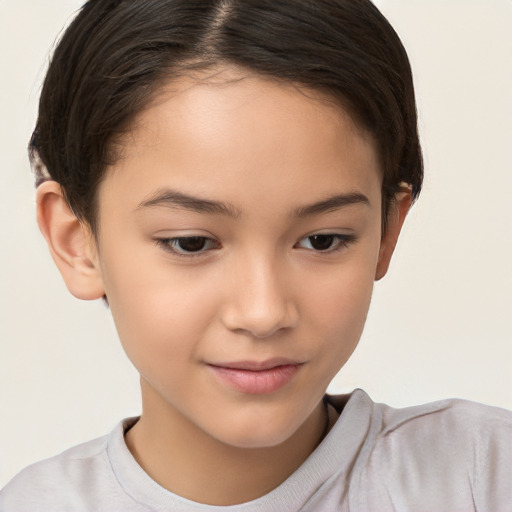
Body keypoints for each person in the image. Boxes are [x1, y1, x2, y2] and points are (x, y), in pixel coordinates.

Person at [1, 0, 510, 510]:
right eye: (191, 243)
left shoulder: (482, 476)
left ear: (385, 232)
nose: (263, 313)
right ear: (77, 242)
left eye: (323, 240)